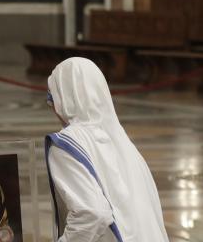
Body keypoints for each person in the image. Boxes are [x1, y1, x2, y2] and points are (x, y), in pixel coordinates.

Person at [44, 57, 169, 242]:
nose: (52, 107)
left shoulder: (67, 144)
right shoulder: (122, 141)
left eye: (51, 99)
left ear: (65, 98)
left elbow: (92, 214)